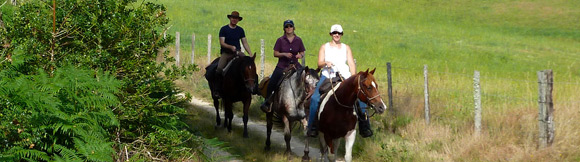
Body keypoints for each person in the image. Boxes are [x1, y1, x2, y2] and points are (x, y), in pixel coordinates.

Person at [306, 24, 373, 138]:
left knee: (360, 97)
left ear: (341, 34)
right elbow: (319, 63)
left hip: (345, 76)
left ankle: (364, 125)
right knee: (315, 98)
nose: (336, 35)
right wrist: (325, 63)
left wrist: (353, 78)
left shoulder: (346, 48)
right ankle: (312, 126)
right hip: (328, 76)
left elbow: (351, 63)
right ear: (331, 34)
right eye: (334, 33)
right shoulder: (324, 47)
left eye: (339, 33)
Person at [260, 20, 306, 113]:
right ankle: (267, 102)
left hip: (295, 65)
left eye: (290, 26)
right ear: (284, 29)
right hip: (283, 66)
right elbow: (275, 53)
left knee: (306, 79)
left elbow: (302, 52)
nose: (289, 28)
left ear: (293, 28)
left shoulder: (298, 40)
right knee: (272, 82)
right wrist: (284, 54)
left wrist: (300, 56)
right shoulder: (280, 40)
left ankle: (304, 103)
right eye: (287, 27)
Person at [214, 11, 253, 97]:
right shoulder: (224, 29)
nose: (234, 20)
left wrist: (250, 53)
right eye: (233, 18)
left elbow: (244, 43)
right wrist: (230, 47)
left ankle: (252, 87)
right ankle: (217, 89)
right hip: (226, 53)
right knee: (219, 69)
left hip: (238, 52)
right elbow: (222, 43)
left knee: (248, 66)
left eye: (236, 18)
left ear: (238, 20)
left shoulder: (240, 30)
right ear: (230, 18)